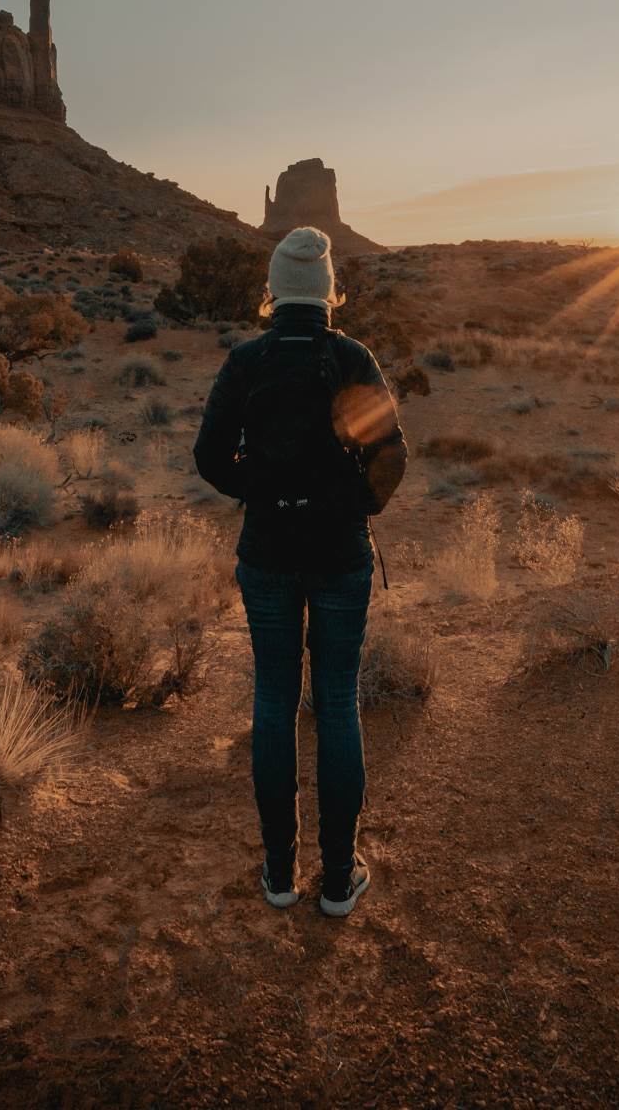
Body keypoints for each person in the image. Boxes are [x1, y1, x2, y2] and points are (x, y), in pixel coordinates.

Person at [193, 225, 408, 917]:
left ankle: (280, 876)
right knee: (338, 702)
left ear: (272, 293)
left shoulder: (246, 360)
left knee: (273, 702)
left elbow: (207, 456)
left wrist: (256, 492)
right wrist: (354, 504)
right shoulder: (352, 356)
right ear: (327, 294)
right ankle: (339, 882)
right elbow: (391, 452)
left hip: (268, 554)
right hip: (340, 554)